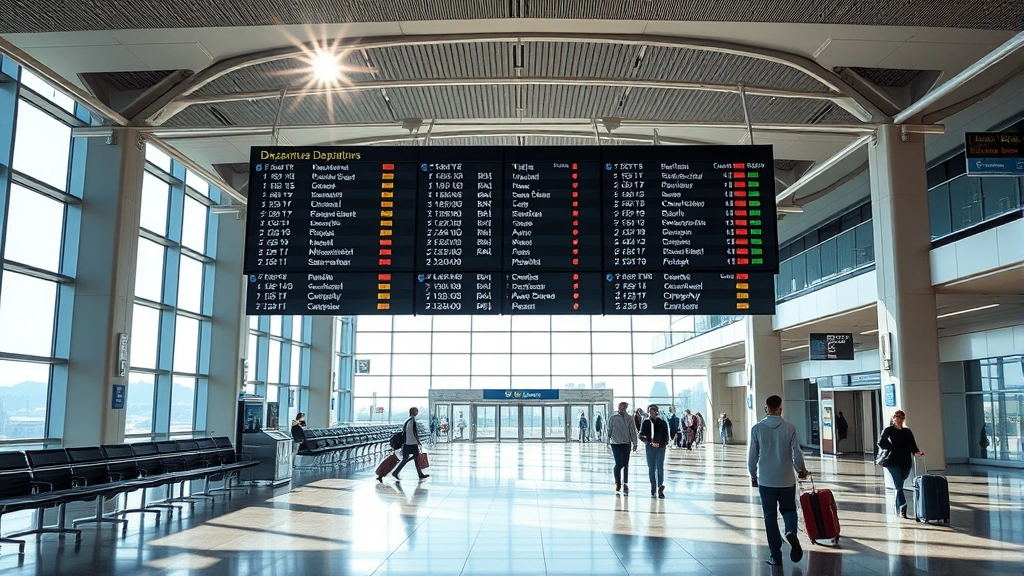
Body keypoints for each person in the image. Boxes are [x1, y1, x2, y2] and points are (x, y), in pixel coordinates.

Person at [748, 395, 808, 567]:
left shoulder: (757, 428)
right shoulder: (790, 428)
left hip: (766, 480)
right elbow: (796, 453)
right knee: (789, 509)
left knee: (770, 516)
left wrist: (753, 474)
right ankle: (790, 531)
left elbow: (752, 457)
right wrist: (801, 470)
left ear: (766, 408)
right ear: (780, 408)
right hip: (787, 479)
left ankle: (776, 555)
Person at [877, 409, 923, 518]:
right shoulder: (888, 430)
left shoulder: (907, 431)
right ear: (893, 418)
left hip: (905, 461)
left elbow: (913, 444)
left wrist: (917, 452)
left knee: (901, 481)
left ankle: (898, 506)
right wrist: (890, 447)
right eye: (897, 416)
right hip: (892, 461)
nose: (899, 419)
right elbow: (881, 442)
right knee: (899, 486)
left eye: (902, 417)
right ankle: (903, 507)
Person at [607, 402, 638, 494]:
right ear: (619, 407)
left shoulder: (629, 418)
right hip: (615, 443)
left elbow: (633, 430)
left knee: (626, 464)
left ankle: (625, 483)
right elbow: (609, 429)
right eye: (622, 407)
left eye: (625, 407)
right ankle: (617, 482)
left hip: (626, 443)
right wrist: (607, 441)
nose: (624, 409)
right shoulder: (613, 418)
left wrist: (635, 443)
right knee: (618, 463)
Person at [639, 405, 670, 498]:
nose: (652, 413)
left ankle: (660, 487)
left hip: (660, 448)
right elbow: (641, 435)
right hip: (650, 448)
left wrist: (660, 444)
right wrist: (650, 442)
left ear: (657, 412)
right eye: (650, 412)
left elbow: (666, 437)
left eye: (653, 411)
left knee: (660, 467)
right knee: (651, 468)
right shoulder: (646, 423)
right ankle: (653, 487)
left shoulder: (662, 423)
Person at [391, 407, 430, 481]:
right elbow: (414, 432)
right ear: (413, 412)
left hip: (406, 443)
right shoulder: (412, 421)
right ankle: (396, 472)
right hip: (412, 443)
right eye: (416, 411)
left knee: (409, 458)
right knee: (415, 457)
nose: (417, 412)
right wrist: (418, 441)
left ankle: (397, 472)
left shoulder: (407, 420)